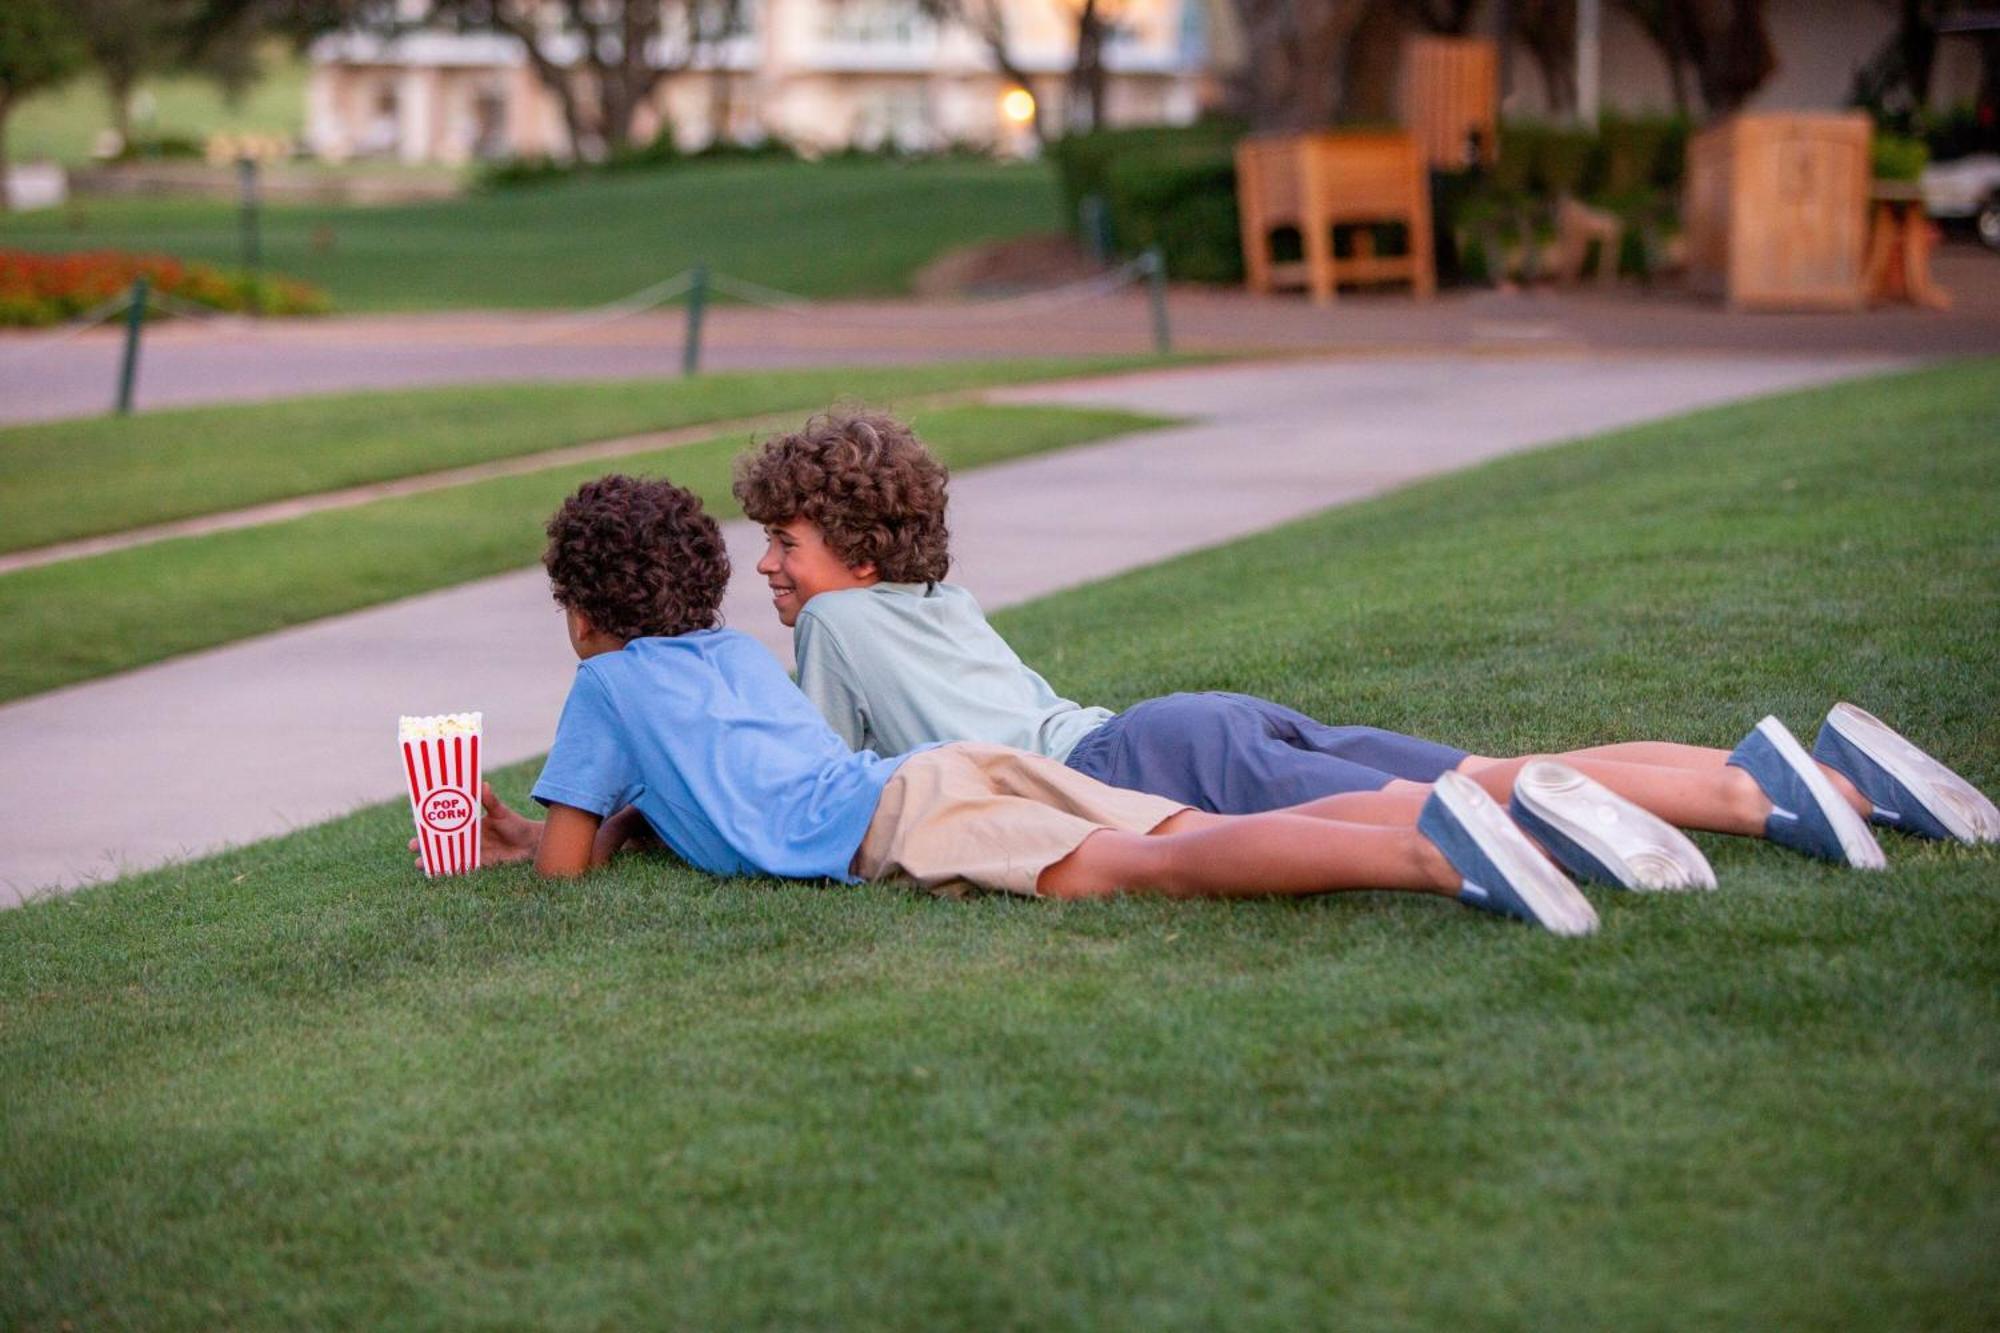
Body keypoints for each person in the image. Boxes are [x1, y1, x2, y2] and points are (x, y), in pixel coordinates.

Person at [729, 412, 1999, 888]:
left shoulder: (836, 625)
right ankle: (1815, 776)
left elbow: (813, 787)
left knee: (1469, 801)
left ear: (849, 541)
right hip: (1184, 724)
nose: (768, 568)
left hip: (1147, 758)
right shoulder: (932, 600)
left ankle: (1748, 800)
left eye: (782, 539)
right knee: (1505, 768)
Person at [439, 473, 1626, 936]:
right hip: (949, 769)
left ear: (579, 607)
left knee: (1148, 865)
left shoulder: (601, 685)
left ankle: (1433, 854)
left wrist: (513, 842)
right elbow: (747, 781)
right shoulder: (736, 660)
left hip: (904, 821)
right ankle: (1447, 823)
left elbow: (564, 874)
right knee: (1169, 830)